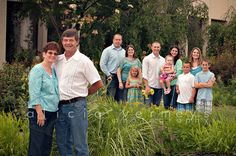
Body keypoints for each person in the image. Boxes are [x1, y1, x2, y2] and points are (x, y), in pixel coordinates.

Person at [54, 29, 103, 156]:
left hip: (77, 106)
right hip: (59, 106)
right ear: (62, 42)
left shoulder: (84, 61)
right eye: (65, 40)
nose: (68, 43)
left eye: (71, 40)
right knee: (63, 143)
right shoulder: (57, 60)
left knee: (80, 144)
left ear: (77, 42)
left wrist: (84, 93)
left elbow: (98, 83)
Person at [28, 42, 60, 156]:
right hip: (39, 112)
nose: (52, 55)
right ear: (44, 54)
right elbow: (34, 92)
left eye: (55, 54)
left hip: (52, 112)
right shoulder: (37, 70)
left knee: (47, 145)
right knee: (37, 145)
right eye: (50, 53)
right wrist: (39, 112)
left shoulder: (53, 70)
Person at [100, 34, 125, 101]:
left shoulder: (124, 52)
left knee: (120, 97)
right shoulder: (107, 50)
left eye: (119, 40)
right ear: (113, 40)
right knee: (110, 97)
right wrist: (108, 74)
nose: (118, 41)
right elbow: (102, 64)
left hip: (121, 77)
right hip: (111, 76)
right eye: (116, 39)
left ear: (121, 41)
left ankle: (118, 111)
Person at [142, 41, 165, 106]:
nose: (156, 49)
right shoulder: (147, 59)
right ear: (152, 48)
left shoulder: (163, 60)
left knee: (156, 108)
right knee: (147, 107)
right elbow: (144, 74)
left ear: (160, 48)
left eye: (158, 47)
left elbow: (164, 74)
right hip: (149, 86)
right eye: (155, 47)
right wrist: (146, 86)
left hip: (159, 87)